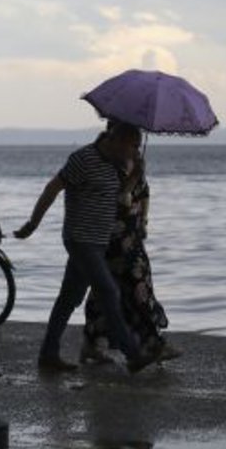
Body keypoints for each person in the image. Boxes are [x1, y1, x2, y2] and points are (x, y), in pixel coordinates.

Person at [14, 122, 159, 373]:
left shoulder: (116, 165)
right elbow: (52, 189)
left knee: (68, 298)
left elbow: (120, 200)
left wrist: (134, 176)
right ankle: (133, 353)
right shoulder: (83, 159)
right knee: (109, 291)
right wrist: (33, 223)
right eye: (132, 145)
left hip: (99, 242)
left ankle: (48, 354)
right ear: (115, 139)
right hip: (80, 239)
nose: (134, 151)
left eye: (137, 146)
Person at [80, 150, 181, 364]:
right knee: (135, 289)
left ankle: (93, 343)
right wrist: (133, 177)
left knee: (111, 291)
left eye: (136, 141)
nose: (134, 146)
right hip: (113, 240)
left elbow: (144, 194)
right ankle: (152, 344)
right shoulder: (106, 168)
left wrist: (144, 220)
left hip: (133, 239)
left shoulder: (133, 163)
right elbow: (120, 203)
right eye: (130, 140)